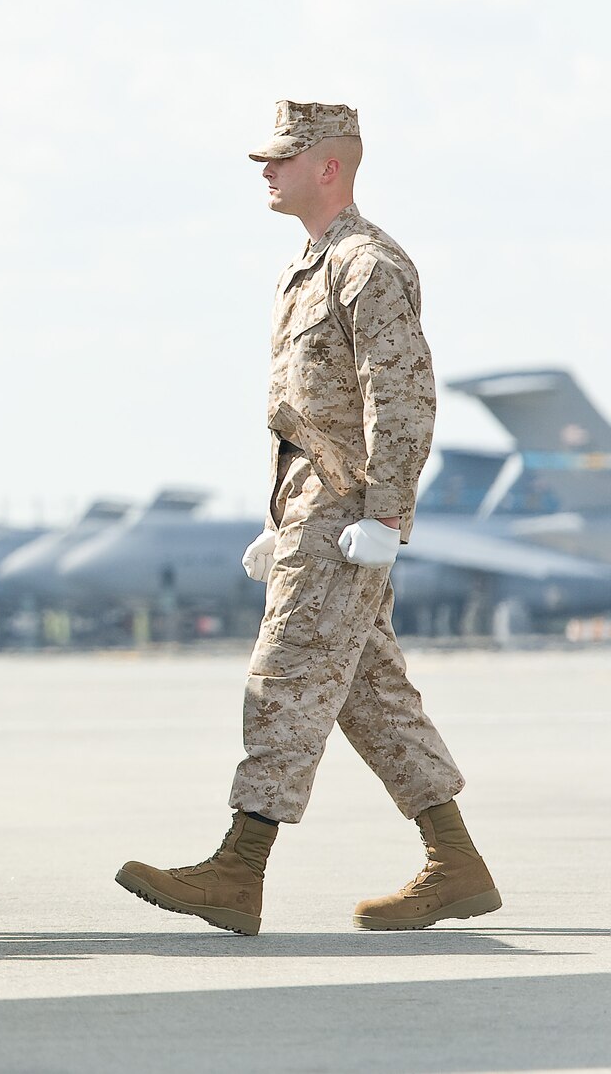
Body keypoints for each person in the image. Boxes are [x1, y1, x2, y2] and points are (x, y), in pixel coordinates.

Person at [116, 100, 501, 936]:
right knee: (370, 692)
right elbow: (305, 408)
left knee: (284, 676)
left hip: (345, 510)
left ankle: (238, 867)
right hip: (312, 504)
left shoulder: (367, 264)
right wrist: (280, 516)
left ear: (330, 165)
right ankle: (457, 863)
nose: (267, 170)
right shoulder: (312, 265)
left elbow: (399, 398)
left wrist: (385, 513)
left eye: (283, 158)